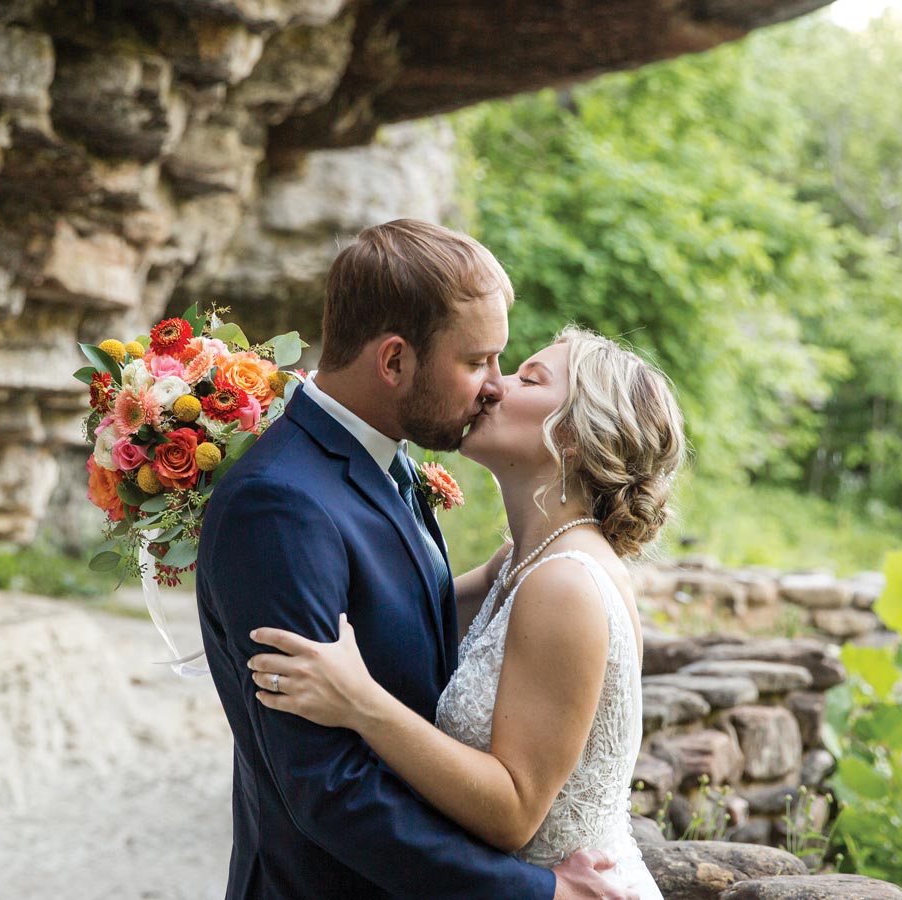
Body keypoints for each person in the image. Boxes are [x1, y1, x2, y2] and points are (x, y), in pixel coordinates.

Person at [195, 219, 639, 899]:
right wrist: (539, 894)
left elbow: (401, 626)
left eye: (507, 365)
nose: (493, 385)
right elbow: (329, 789)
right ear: (395, 361)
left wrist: (504, 583)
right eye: (477, 361)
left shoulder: (390, 463)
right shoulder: (280, 505)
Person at [247, 324, 683, 900]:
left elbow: (515, 811)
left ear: (574, 435)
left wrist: (361, 705)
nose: (494, 386)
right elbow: (408, 619)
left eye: (528, 378)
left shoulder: (564, 584)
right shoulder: (523, 561)